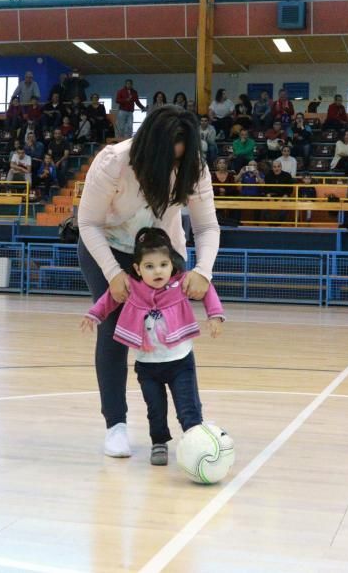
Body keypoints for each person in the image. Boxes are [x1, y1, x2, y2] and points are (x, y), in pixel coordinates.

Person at [77, 105, 220, 458]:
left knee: (175, 334)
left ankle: (191, 423)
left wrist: (203, 270)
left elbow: (206, 227)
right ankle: (116, 426)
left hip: (162, 251)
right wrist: (113, 274)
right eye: (168, 161)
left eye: (179, 162)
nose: (173, 168)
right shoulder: (114, 162)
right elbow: (89, 223)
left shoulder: (194, 169)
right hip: (107, 246)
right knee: (114, 331)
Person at [81, 228, 224, 465]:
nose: (157, 271)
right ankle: (159, 443)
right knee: (155, 409)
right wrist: (94, 315)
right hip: (148, 366)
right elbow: (108, 299)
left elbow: (207, 291)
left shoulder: (182, 283)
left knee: (188, 407)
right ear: (137, 269)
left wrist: (215, 316)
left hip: (180, 362)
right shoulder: (132, 287)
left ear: (172, 265)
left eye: (163, 264)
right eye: (149, 266)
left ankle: (196, 441)